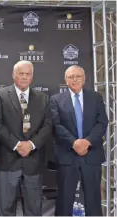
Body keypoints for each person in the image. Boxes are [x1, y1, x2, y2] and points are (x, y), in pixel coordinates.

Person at [0, 60, 52, 216]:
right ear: (14, 75)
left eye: (28, 74)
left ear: (32, 77)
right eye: (21, 73)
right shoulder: (0, 95)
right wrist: (17, 144)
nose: (25, 77)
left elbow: (47, 126)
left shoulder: (43, 98)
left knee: (33, 210)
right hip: (8, 160)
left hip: (33, 162)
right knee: (5, 209)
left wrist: (31, 144)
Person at [50, 65, 108, 216]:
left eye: (78, 76)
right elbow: (56, 125)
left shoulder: (95, 97)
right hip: (67, 156)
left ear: (84, 78)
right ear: (65, 80)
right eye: (71, 77)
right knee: (64, 200)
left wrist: (87, 142)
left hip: (91, 155)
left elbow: (102, 122)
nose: (74, 79)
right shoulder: (56, 100)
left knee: (94, 200)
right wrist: (74, 143)